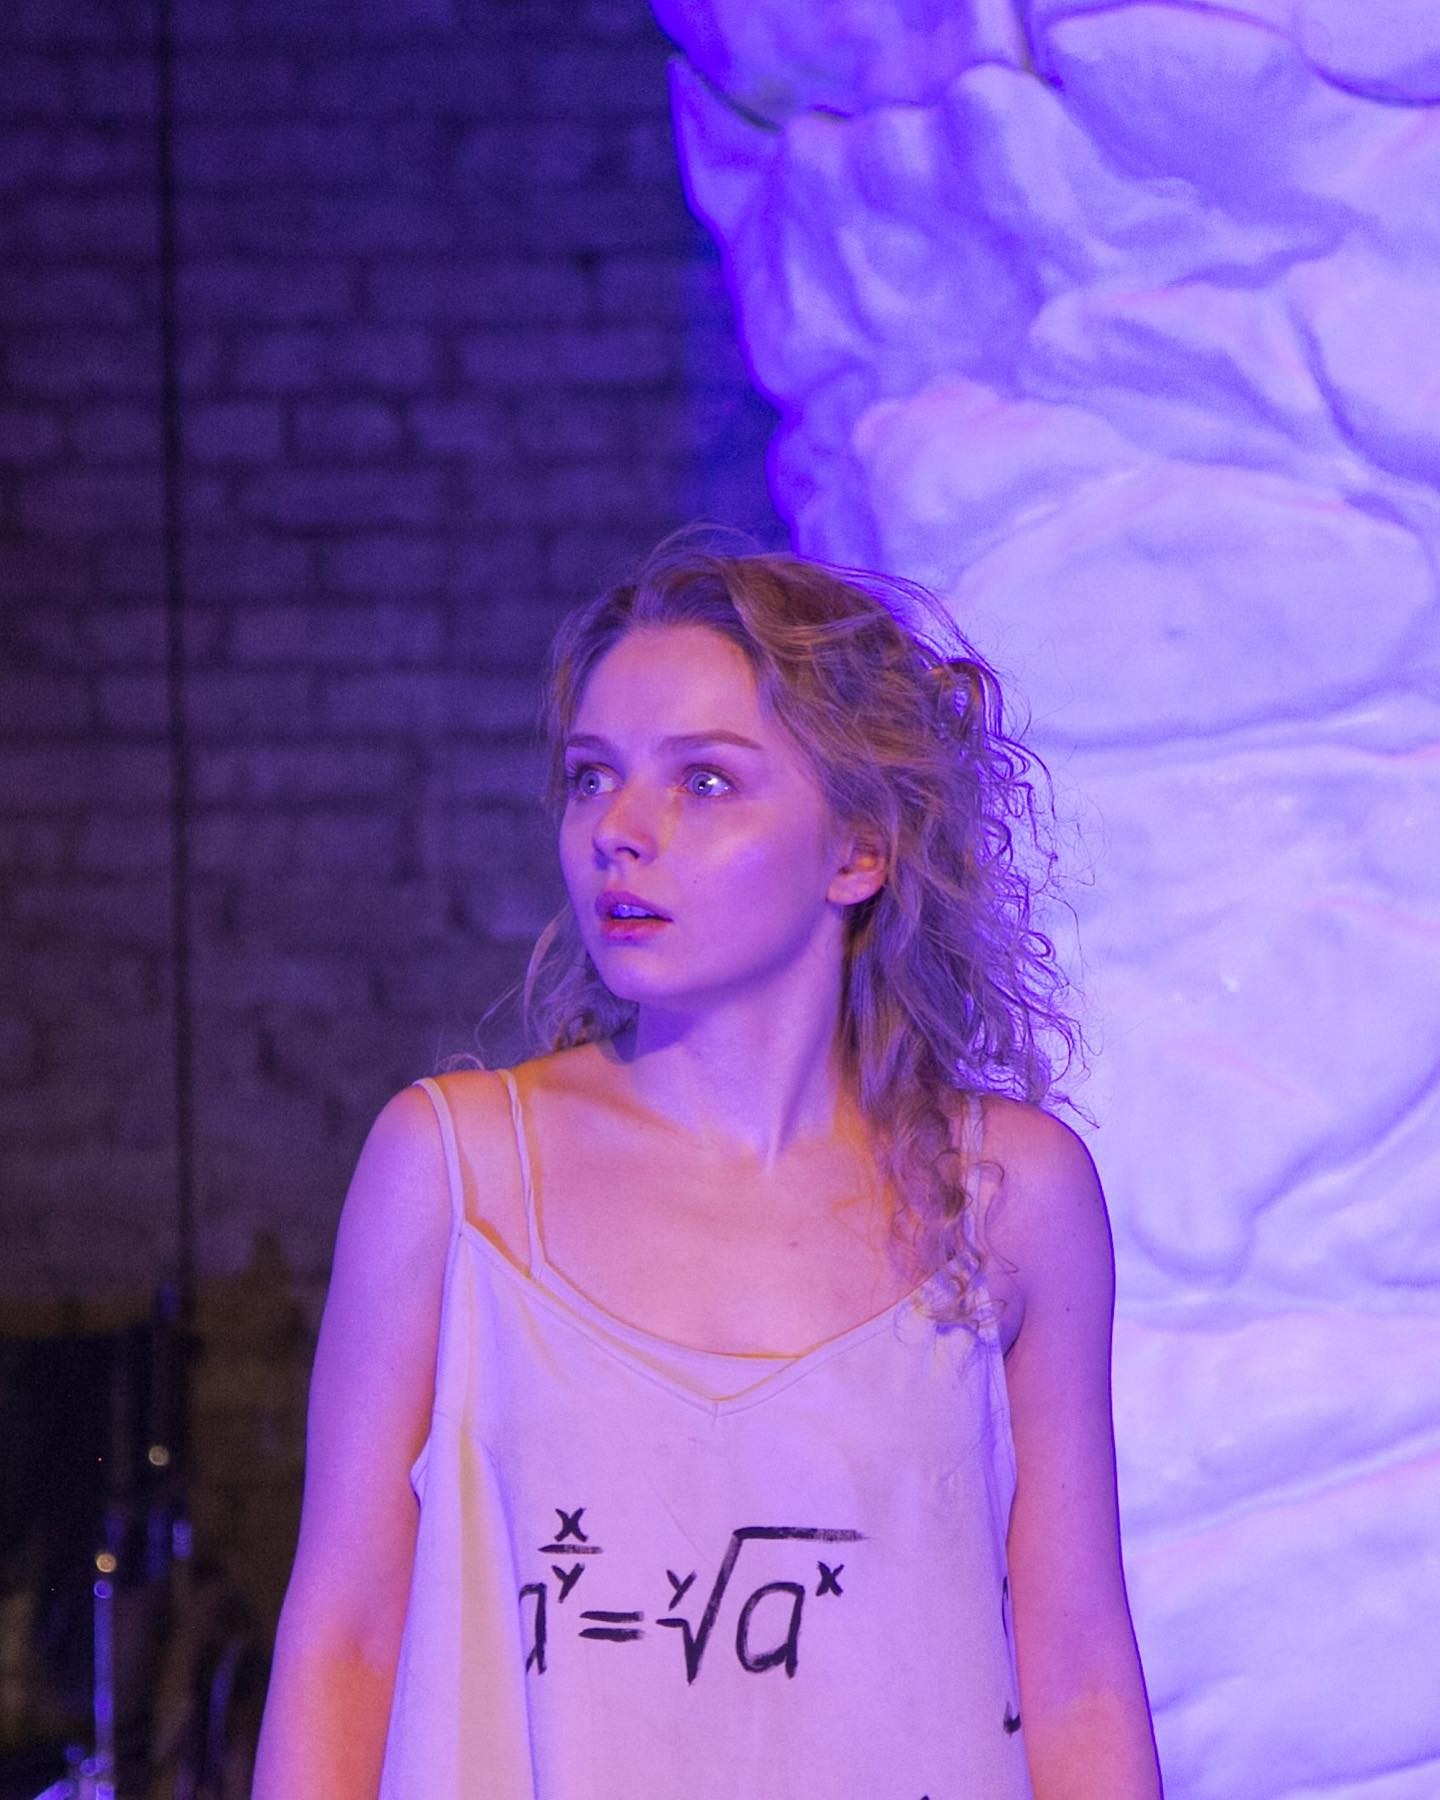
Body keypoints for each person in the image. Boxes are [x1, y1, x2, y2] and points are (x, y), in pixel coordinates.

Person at [253, 542, 1164, 1798]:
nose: (620, 833)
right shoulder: (455, 1171)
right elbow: (346, 1636)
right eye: (593, 777)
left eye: (705, 781)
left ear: (859, 849)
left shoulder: (1006, 1195)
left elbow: (1075, 1674)